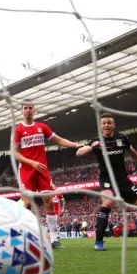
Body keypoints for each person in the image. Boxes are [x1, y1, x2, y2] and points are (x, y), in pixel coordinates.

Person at [76, 113, 137, 251]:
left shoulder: (122, 138)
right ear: (100, 126)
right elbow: (79, 153)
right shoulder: (96, 141)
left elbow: (134, 154)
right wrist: (92, 146)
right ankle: (98, 242)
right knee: (107, 203)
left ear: (113, 125)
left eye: (109, 123)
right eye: (103, 123)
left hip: (123, 180)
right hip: (107, 180)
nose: (106, 125)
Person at [14, 101, 83, 249]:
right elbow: (15, 153)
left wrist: (75, 145)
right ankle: (22, 239)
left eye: (30, 108)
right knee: (26, 204)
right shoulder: (18, 130)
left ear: (34, 110)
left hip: (42, 170)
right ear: (21, 111)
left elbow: (59, 140)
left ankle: (54, 239)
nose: (27, 110)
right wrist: (31, 163)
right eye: (25, 108)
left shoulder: (42, 127)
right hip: (26, 170)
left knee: (49, 202)